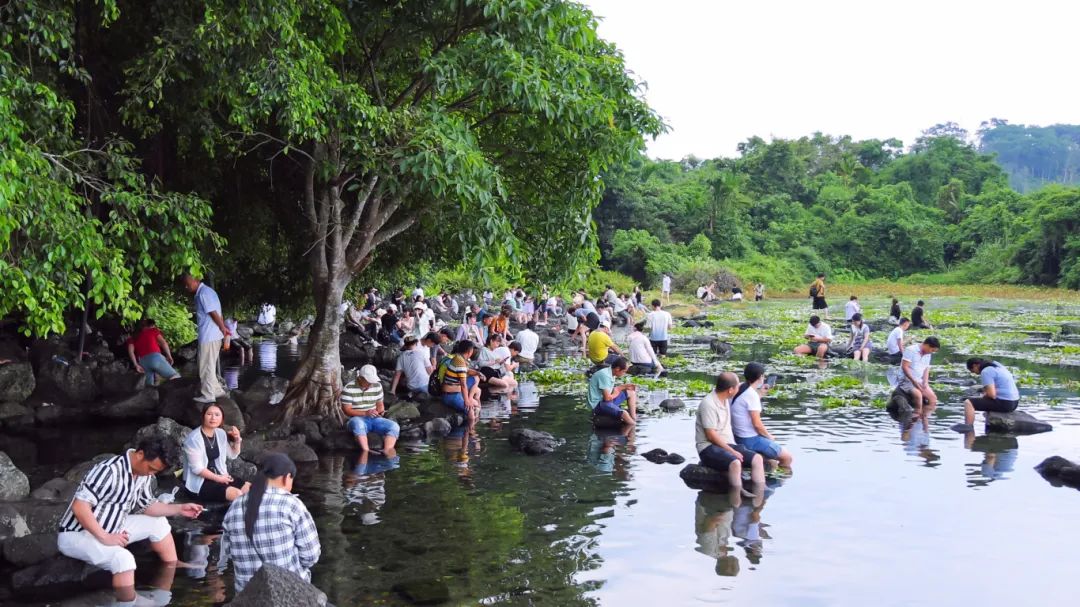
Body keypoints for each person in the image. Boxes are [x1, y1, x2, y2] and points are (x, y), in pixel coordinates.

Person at [57, 436, 204, 604]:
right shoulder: (109, 470)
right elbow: (80, 507)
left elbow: (148, 506)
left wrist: (179, 509)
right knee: (124, 560)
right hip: (78, 534)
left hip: (115, 525)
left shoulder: (143, 474)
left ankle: (172, 564)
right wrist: (105, 537)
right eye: (151, 468)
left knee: (158, 523)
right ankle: (126, 602)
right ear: (140, 454)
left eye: (155, 471)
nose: (151, 474)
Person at [223, 453, 320, 593]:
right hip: (289, 594)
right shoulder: (291, 504)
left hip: (248, 596)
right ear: (287, 478)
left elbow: (229, 552)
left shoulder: (235, 506)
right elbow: (311, 556)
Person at [695, 372, 765, 494]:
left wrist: (761, 391)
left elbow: (748, 393)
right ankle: (737, 494)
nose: (740, 388)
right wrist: (732, 451)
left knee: (757, 459)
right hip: (708, 448)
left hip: (726, 444)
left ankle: (760, 491)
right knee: (735, 463)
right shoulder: (709, 404)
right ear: (730, 390)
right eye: (737, 386)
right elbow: (711, 435)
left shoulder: (726, 398)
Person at [731, 363, 793, 470]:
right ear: (761, 377)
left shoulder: (740, 387)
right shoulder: (752, 395)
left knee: (771, 462)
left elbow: (745, 402)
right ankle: (777, 482)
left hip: (737, 435)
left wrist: (761, 393)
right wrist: (769, 436)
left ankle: (769, 476)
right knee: (787, 458)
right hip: (749, 439)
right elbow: (757, 425)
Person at [183, 403, 249, 502]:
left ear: (222, 419)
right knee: (237, 494)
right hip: (200, 483)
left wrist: (237, 440)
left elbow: (232, 455)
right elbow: (197, 469)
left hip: (221, 475)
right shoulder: (194, 439)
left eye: (217, 415)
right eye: (209, 414)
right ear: (203, 416)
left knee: (251, 488)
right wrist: (218, 479)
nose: (213, 418)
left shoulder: (220, 433)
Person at [183, 273, 230, 403]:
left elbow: (213, 312)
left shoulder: (203, 293)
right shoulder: (209, 291)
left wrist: (222, 327)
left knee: (205, 366)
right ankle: (217, 390)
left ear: (196, 280)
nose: (186, 287)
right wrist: (223, 328)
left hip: (209, 335)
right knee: (209, 364)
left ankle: (208, 395)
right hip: (213, 335)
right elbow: (217, 312)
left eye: (188, 284)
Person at [342, 365, 400, 455]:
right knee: (358, 424)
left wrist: (380, 412)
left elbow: (380, 404)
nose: (371, 384)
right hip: (356, 418)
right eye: (368, 381)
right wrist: (365, 413)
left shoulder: (377, 385)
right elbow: (347, 410)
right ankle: (366, 451)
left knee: (394, 426)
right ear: (360, 378)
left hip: (374, 418)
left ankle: (387, 450)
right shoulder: (348, 388)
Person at [958, 358, 1020, 431]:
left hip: (1006, 403)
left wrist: (983, 397)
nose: (974, 373)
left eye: (972, 371)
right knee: (983, 400)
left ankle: (968, 427)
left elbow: (992, 395)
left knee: (968, 402)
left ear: (975, 365)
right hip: (1015, 402)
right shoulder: (998, 366)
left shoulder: (986, 371)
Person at [126, 318, 180, 387]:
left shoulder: (132, 337)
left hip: (143, 362)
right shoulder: (153, 330)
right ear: (151, 326)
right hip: (155, 358)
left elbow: (131, 352)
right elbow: (163, 343)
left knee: (149, 388)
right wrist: (169, 355)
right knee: (175, 377)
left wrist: (136, 365)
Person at [587, 356, 637, 425]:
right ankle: (633, 426)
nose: (624, 374)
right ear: (617, 369)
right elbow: (607, 398)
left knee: (631, 393)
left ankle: (634, 418)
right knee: (624, 414)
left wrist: (624, 387)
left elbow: (609, 393)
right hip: (598, 404)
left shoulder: (611, 373)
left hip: (606, 401)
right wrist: (619, 389)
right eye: (624, 371)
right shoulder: (605, 375)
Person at [899, 337, 941, 419]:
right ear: (927, 345)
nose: (931, 352)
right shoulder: (911, 350)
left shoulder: (928, 354)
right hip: (907, 379)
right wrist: (914, 382)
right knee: (918, 396)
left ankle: (924, 418)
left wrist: (925, 382)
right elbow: (905, 367)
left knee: (933, 399)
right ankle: (915, 417)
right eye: (932, 350)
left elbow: (926, 368)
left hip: (919, 380)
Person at [440, 340, 481, 420]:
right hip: (451, 395)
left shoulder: (458, 357)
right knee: (470, 410)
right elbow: (463, 384)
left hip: (454, 390)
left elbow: (467, 371)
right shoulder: (460, 363)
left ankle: (471, 399)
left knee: (476, 378)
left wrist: (478, 373)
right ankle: (470, 429)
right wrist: (467, 401)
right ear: (470, 351)